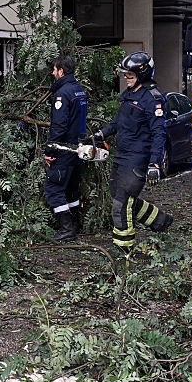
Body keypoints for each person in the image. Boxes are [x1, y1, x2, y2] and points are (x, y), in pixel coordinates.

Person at [93, 51, 173, 253]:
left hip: (137, 159)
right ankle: (160, 220)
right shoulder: (128, 95)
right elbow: (118, 122)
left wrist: (154, 163)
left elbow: (158, 134)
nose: (126, 78)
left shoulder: (153, 99)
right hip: (121, 156)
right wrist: (100, 134)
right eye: (125, 74)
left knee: (121, 203)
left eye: (130, 75)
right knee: (118, 197)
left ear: (142, 74)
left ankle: (123, 248)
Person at [44, 55, 89, 241]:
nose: (53, 73)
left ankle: (67, 228)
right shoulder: (79, 90)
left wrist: (50, 150)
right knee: (71, 188)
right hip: (79, 148)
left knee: (54, 188)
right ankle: (75, 224)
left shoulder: (62, 94)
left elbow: (59, 126)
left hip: (64, 148)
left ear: (61, 71)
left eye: (54, 70)